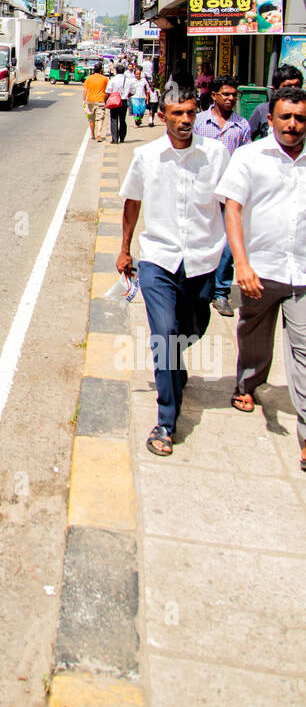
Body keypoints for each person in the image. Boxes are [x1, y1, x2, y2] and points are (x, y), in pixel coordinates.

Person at [117, 87, 230, 456]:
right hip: (158, 259)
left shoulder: (216, 155)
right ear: (162, 116)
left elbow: (232, 206)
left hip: (202, 260)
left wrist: (238, 256)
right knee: (164, 336)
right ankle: (167, 420)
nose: (184, 120)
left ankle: (174, 367)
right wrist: (125, 250)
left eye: (190, 113)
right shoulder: (146, 156)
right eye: (177, 113)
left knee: (193, 327)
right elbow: (132, 202)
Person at [217, 87, 306, 471]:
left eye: (300, 118)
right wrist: (241, 263)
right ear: (270, 120)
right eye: (286, 117)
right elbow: (233, 209)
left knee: (303, 354)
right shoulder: (250, 156)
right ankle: (248, 384)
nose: (293, 125)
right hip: (260, 271)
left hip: (302, 273)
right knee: (253, 336)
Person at [192, 76, 251, 317]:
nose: (231, 99)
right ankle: (199, 287)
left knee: (227, 244)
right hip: (202, 190)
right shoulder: (198, 122)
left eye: (234, 95)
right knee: (202, 240)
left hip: (230, 193)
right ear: (214, 95)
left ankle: (220, 293)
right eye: (226, 94)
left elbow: (245, 160)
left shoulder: (242, 126)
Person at [249, 65, 303, 141]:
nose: (293, 91)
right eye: (288, 86)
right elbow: (247, 138)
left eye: (297, 86)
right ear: (275, 88)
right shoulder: (262, 110)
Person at [105, 62, 131, 144]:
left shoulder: (112, 80)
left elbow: (108, 91)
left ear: (116, 71)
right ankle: (122, 137)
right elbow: (132, 92)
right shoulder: (129, 81)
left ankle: (115, 139)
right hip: (123, 101)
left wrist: (105, 101)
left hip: (114, 101)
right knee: (122, 119)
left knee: (114, 119)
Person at [82, 62, 107, 142]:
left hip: (90, 100)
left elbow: (85, 90)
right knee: (100, 118)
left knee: (91, 119)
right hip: (101, 100)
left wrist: (84, 100)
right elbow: (107, 90)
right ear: (101, 70)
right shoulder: (105, 79)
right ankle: (99, 133)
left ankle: (92, 134)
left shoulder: (89, 78)